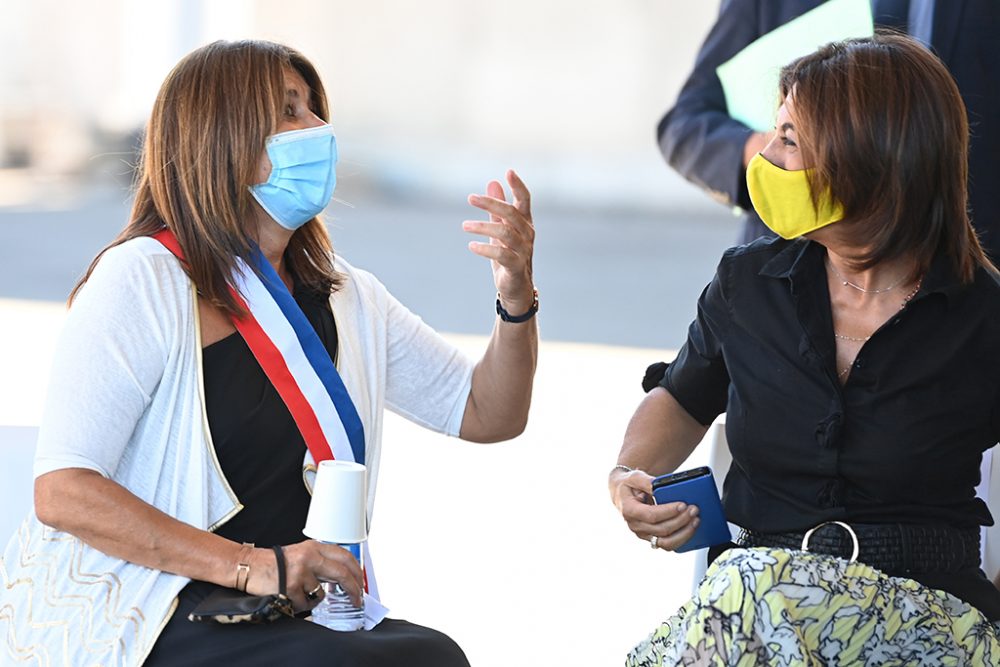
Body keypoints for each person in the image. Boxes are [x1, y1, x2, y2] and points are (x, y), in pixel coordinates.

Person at [0, 40, 538, 666]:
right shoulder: (143, 278)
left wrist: (516, 297)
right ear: (222, 136)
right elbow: (64, 491)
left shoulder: (347, 295)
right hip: (155, 609)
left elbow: (487, 412)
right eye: (290, 112)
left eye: (314, 109)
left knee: (430, 655)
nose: (318, 128)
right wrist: (252, 566)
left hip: (281, 611)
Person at [613, 34, 1000, 664]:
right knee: (745, 591)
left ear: (872, 157)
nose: (765, 154)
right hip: (758, 609)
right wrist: (629, 475)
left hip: (922, 618)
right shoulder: (748, 282)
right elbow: (682, 397)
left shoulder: (984, 318)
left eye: (790, 138)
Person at [660, 0, 1000, 257]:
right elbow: (685, 124)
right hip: (792, 265)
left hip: (961, 259)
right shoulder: (746, 292)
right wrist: (788, 144)